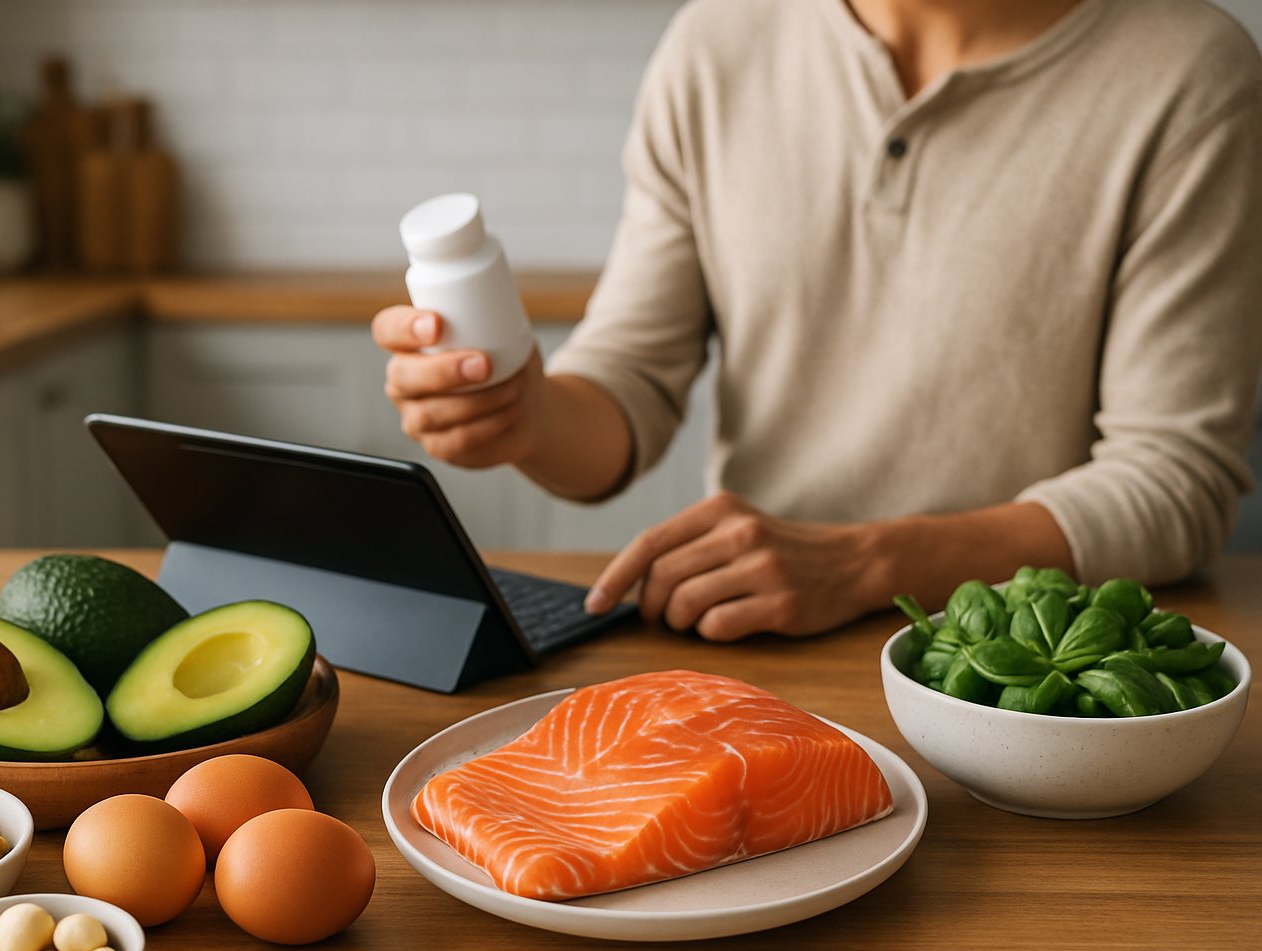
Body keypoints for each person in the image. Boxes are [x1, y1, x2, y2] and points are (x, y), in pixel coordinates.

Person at [374, 0, 1262, 641]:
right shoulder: (716, 43)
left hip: (1033, 674)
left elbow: (1174, 483)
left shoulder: (1188, 72)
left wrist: (871, 564)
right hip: (760, 642)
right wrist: (524, 415)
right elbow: (628, 384)